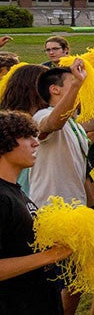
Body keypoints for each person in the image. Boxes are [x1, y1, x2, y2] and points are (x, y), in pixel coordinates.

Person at [0, 111, 70, 315]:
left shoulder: (16, 192)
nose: (36, 143)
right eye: (26, 136)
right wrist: (49, 256)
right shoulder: (2, 197)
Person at [22, 63, 93, 208]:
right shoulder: (42, 115)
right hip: (49, 209)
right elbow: (52, 124)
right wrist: (77, 84)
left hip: (76, 208)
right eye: (73, 82)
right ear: (54, 89)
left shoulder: (75, 125)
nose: (80, 87)